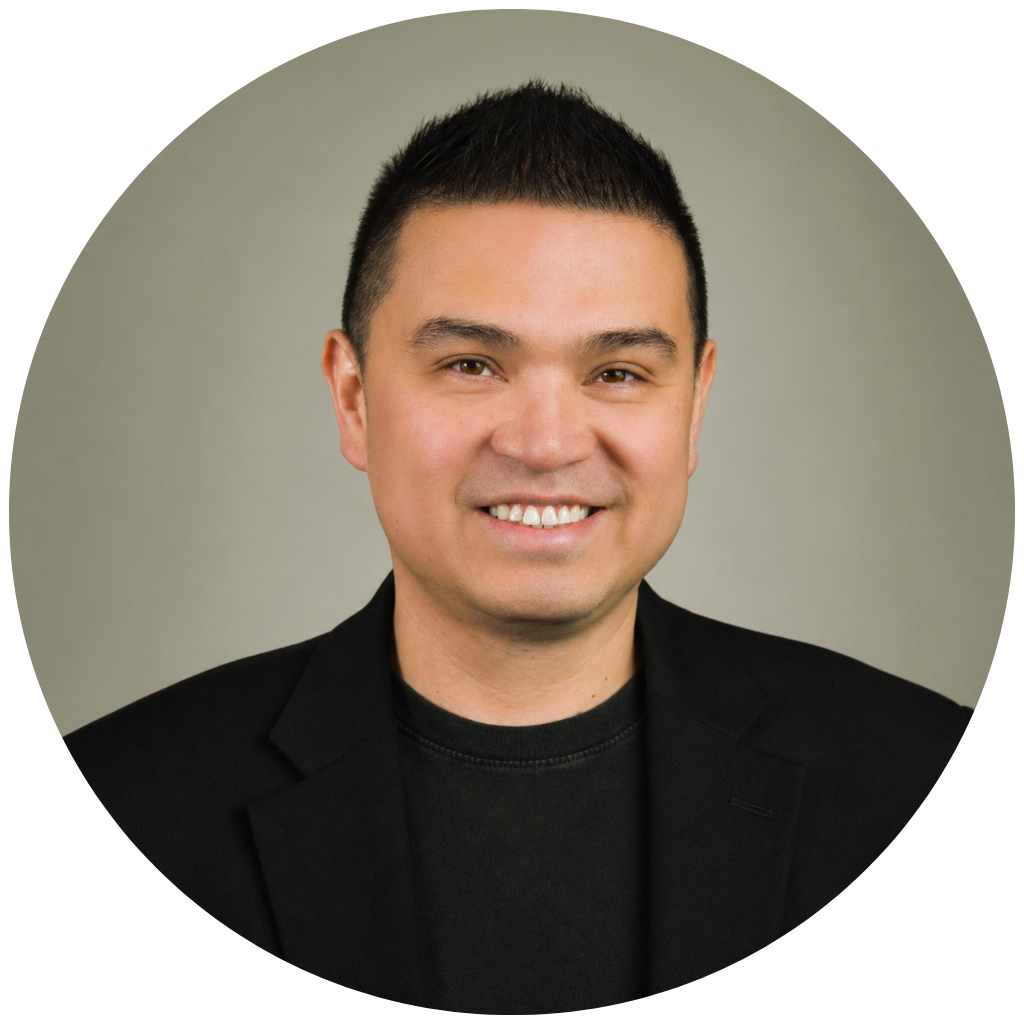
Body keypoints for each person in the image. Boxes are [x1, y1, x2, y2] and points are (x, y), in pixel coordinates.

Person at [63, 82, 971, 1012]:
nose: (545, 444)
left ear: (693, 405)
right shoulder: (131, 803)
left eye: (617, 372)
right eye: (471, 366)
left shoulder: (912, 778)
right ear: (353, 396)